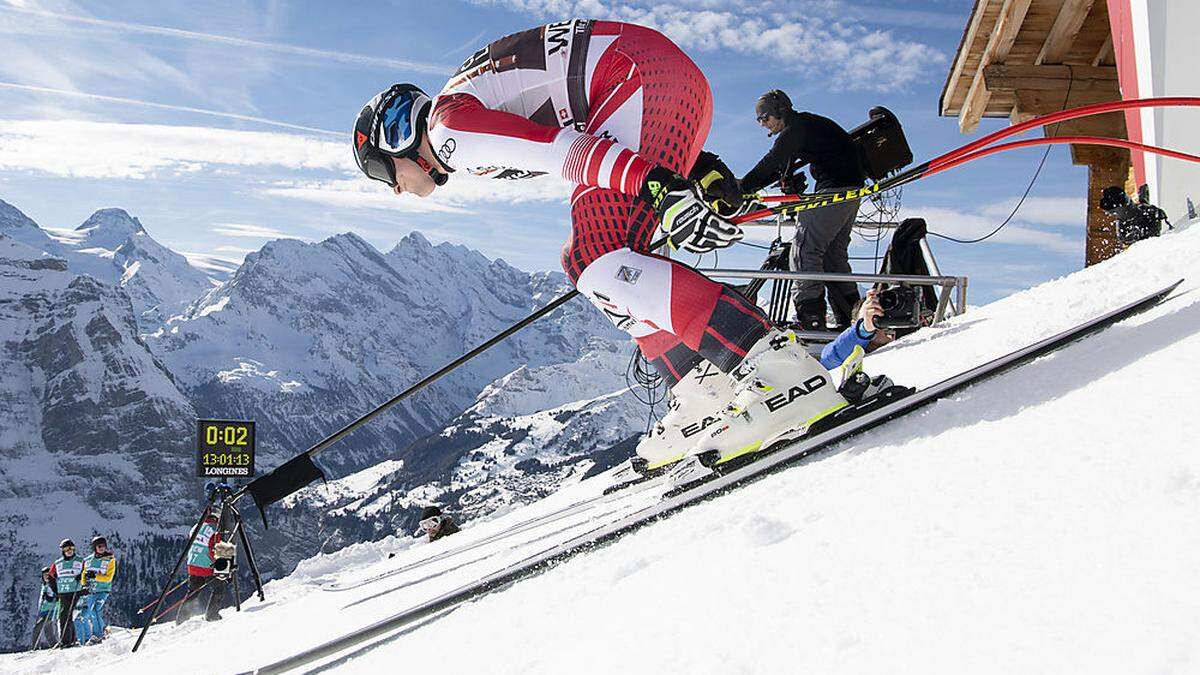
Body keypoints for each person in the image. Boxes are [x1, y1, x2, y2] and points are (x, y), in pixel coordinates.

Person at [352, 19, 887, 473]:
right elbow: (585, 128)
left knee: (596, 255)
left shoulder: (452, 130)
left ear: (396, 135)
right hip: (652, 82)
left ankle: (783, 371)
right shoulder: (462, 114)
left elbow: (571, 151)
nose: (390, 186)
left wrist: (662, 186)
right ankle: (707, 387)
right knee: (582, 258)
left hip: (640, 81)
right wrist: (695, 173)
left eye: (379, 170)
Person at [740, 89, 868, 331]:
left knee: (804, 249)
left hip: (835, 192)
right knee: (832, 255)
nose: (763, 124)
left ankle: (811, 319)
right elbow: (780, 167)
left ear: (780, 111)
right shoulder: (805, 125)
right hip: (850, 192)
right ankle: (852, 318)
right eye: (759, 120)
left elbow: (771, 162)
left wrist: (740, 189)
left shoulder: (796, 129)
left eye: (765, 117)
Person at [177, 485, 228, 623]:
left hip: (193, 565)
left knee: (192, 593)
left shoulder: (196, 527)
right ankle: (212, 615)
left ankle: (181, 619)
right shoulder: (214, 530)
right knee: (220, 586)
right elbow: (214, 552)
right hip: (206, 566)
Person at [77, 536, 116, 644]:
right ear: (94, 547)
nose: (102, 548)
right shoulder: (88, 560)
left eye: (104, 546)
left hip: (103, 590)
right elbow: (84, 574)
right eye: (99, 546)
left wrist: (95, 576)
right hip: (91, 590)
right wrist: (83, 585)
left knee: (95, 610)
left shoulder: (110, 560)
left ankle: (98, 636)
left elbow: (109, 577)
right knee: (87, 613)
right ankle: (94, 634)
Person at [46, 538, 85, 647]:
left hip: (75, 591)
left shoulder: (80, 561)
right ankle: (71, 640)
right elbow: (50, 576)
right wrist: (55, 590)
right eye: (66, 548)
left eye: (71, 548)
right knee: (66, 616)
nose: (69, 550)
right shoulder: (58, 563)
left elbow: (86, 573)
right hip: (63, 592)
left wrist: (81, 577)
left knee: (65, 616)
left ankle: (65, 642)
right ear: (62, 550)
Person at [30, 567, 59, 649]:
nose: (46, 576)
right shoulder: (45, 584)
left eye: (48, 574)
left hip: (50, 610)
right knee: (47, 629)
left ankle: (35, 647)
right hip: (44, 610)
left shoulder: (53, 584)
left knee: (37, 627)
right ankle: (53, 644)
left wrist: (51, 598)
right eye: (44, 575)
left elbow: (57, 595)